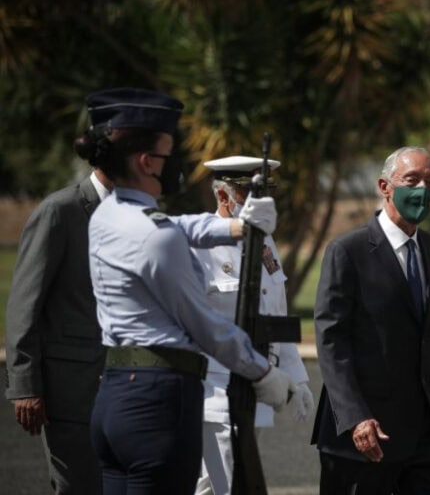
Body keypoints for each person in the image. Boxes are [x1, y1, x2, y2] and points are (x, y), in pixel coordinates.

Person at [81, 87, 297, 494]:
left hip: (115, 394)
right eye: (168, 153)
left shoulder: (109, 215)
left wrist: (237, 227)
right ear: (146, 162)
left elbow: (178, 226)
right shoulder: (155, 236)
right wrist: (264, 372)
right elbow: (204, 326)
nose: (176, 162)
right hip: (157, 401)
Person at [311, 146, 430, 495]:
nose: (422, 189)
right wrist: (355, 417)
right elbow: (332, 340)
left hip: (425, 434)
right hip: (364, 433)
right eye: (412, 179)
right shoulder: (348, 251)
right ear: (385, 186)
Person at [191, 155, 314, 495]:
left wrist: (298, 377)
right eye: (247, 196)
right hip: (216, 393)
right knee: (225, 484)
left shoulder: (265, 243)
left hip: (258, 387)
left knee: (220, 484)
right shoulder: (201, 248)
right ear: (222, 197)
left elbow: (274, 316)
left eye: (261, 197)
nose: (256, 206)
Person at [4, 154, 114, 494]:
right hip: (72, 389)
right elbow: (25, 303)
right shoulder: (60, 211)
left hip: (126, 384)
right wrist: (26, 385)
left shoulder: (137, 214)